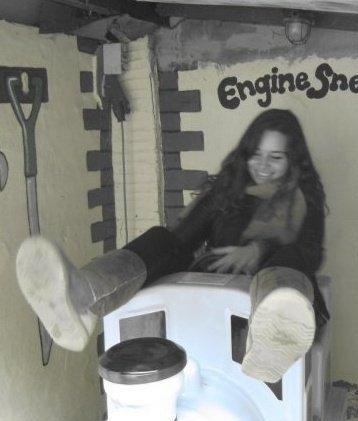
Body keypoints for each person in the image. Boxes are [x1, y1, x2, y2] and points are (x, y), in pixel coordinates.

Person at [15, 108, 329, 383]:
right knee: (165, 241)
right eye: (255, 155)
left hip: (279, 306)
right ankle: (84, 294)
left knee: (290, 258)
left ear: (293, 159)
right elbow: (183, 238)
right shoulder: (228, 189)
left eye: (276, 157)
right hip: (215, 302)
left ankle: (272, 341)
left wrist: (259, 250)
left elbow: (310, 254)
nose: (262, 166)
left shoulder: (304, 198)